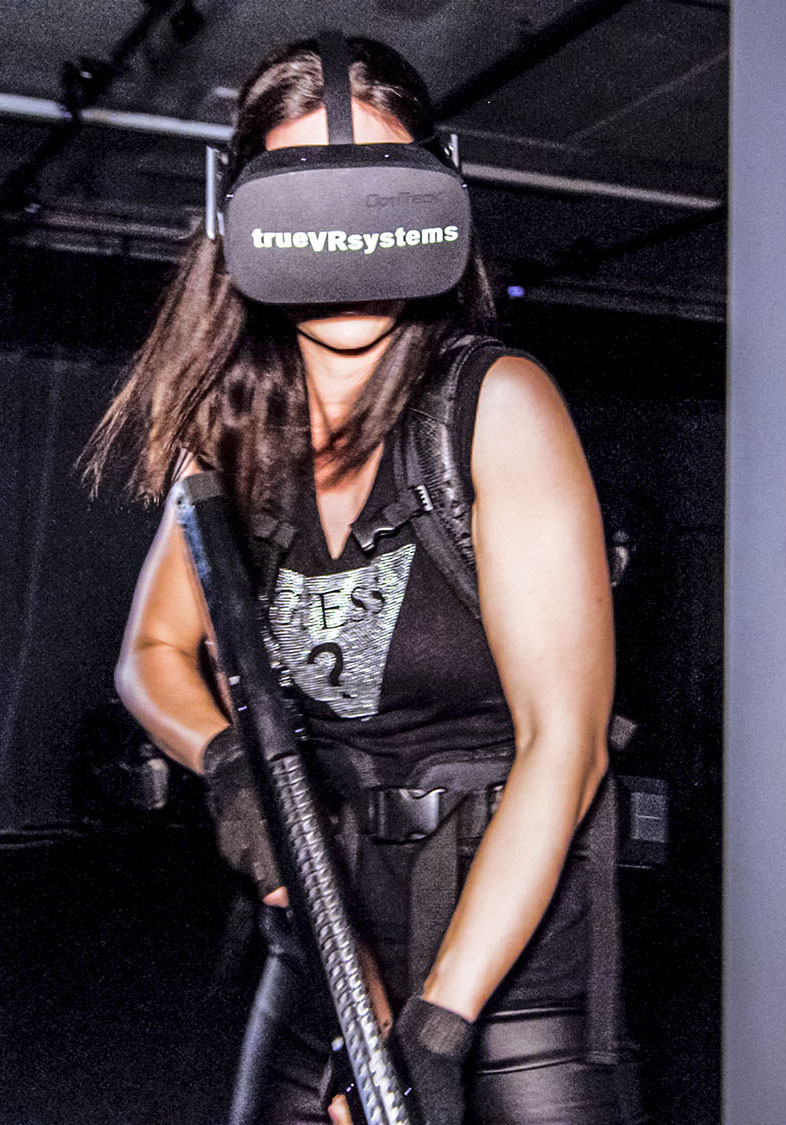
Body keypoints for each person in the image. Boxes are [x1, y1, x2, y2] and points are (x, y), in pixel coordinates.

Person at [85, 34, 640, 1125]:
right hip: (323, 930)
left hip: (512, 964)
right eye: (304, 193)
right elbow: (151, 652)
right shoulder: (231, 430)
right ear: (243, 215)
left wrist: (433, 1031)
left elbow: (564, 745)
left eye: (378, 189)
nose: (345, 234)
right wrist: (232, 768)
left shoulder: (498, 409)